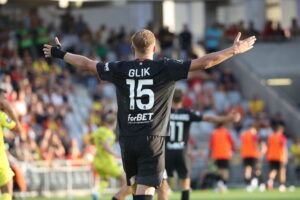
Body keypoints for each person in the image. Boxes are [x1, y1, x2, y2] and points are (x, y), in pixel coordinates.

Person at [43, 29, 256, 200]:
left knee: (137, 188)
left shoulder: (119, 68)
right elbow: (204, 62)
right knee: (145, 191)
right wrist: (233, 50)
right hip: (152, 138)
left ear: (132, 47)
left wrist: (59, 53)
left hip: (127, 139)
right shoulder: (165, 67)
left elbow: (87, 64)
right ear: (154, 48)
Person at [157, 88, 240, 200]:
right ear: (183, 99)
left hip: (166, 153)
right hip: (182, 152)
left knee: (163, 183)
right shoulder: (187, 113)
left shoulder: (164, 112)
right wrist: (228, 118)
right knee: (185, 183)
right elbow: (208, 118)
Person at [92, 113, 131, 200]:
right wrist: (116, 155)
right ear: (114, 124)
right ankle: (125, 197)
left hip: (97, 160)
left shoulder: (99, 130)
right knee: (123, 178)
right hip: (107, 161)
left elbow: (93, 141)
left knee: (106, 180)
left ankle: (96, 193)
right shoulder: (109, 133)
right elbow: (106, 146)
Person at [0, 110, 20, 200]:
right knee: (7, 191)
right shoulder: (1, 115)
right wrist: (9, 109)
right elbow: (18, 129)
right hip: (0, 161)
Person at [209, 124, 235, 192]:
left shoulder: (214, 133)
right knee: (225, 170)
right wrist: (232, 151)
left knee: (218, 170)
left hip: (217, 154)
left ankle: (220, 184)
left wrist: (210, 154)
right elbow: (232, 143)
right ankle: (224, 185)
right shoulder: (226, 132)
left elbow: (211, 144)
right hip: (225, 154)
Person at [240, 124, 264, 192]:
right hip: (254, 155)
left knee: (248, 170)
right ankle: (261, 184)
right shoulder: (254, 135)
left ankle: (248, 185)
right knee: (257, 170)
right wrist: (260, 152)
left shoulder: (243, 135)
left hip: (245, 155)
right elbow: (257, 144)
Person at [266, 124, 287, 192]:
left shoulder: (271, 137)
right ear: (281, 130)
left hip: (271, 156)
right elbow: (283, 147)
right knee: (282, 171)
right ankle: (282, 185)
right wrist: (285, 156)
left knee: (273, 170)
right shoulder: (281, 137)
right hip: (280, 156)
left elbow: (268, 146)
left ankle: (270, 181)